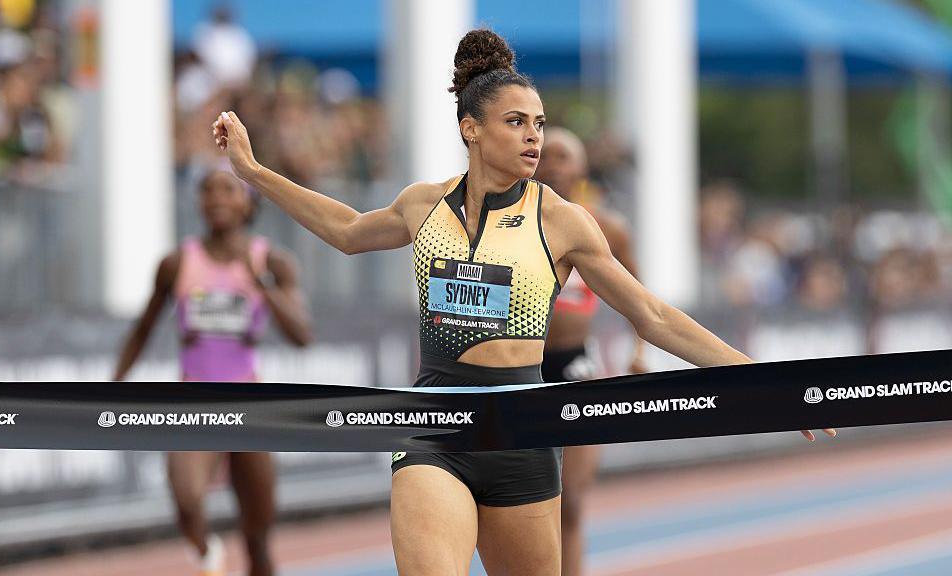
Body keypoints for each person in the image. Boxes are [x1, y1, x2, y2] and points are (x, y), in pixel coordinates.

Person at [213, 28, 836, 576]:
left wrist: (764, 383)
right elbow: (347, 232)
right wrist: (252, 170)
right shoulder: (424, 204)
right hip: (435, 423)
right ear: (471, 129)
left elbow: (653, 316)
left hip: (523, 433)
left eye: (538, 123)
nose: (533, 136)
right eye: (516, 122)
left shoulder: (563, 222)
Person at [112, 164, 312, 576]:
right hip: (195, 400)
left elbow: (302, 334)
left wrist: (260, 282)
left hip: (250, 404)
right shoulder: (176, 263)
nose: (216, 198)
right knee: (185, 497)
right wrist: (112, 385)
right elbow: (142, 329)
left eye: (227, 189)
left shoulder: (272, 261)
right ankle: (208, 555)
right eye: (207, 190)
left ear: (248, 202)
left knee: (257, 538)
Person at [535, 126, 647, 576]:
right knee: (519, 505)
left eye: (564, 155)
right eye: (546, 155)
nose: (553, 164)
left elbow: (640, 298)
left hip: (576, 365)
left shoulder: (608, 230)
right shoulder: (512, 223)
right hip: (521, 370)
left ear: (581, 168)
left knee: (572, 503)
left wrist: (638, 350)